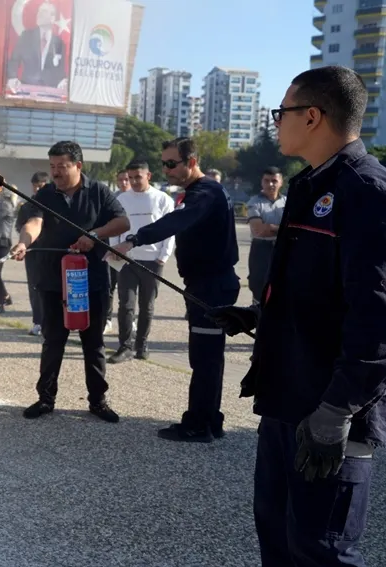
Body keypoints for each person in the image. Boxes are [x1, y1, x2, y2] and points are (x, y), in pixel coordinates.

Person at [208, 66, 386, 567]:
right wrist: (258, 314)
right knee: (279, 538)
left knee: (322, 550)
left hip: (332, 413)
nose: (275, 123)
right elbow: (314, 288)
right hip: (286, 397)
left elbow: (377, 318)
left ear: (312, 116)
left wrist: (338, 409)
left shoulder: (366, 191)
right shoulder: (310, 184)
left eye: (281, 112)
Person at [111, 137, 239, 442]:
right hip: (208, 284)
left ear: (191, 162)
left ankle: (197, 424)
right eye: (164, 163)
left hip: (212, 287)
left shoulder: (205, 192)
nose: (166, 169)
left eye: (171, 163)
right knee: (209, 357)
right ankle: (211, 420)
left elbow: (178, 220)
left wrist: (134, 239)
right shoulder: (202, 192)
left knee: (204, 359)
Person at [10, 141, 130, 422]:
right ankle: (46, 398)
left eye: (61, 166)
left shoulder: (99, 191)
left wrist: (95, 235)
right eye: (52, 167)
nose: (56, 173)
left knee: (94, 343)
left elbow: (123, 222)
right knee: (53, 341)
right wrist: (23, 242)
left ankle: (98, 400)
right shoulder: (45, 195)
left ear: (78, 165)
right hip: (53, 281)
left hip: (92, 281)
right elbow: (34, 223)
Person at [108, 161, 175, 363]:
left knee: (147, 306)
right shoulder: (121, 199)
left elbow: (170, 230)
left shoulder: (163, 199)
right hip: (127, 260)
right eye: (131, 177)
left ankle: (142, 344)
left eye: (138, 176)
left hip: (153, 261)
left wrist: (163, 256)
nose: (134, 181)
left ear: (149, 176)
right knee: (126, 305)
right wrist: (114, 249)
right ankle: (125, 346)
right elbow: (115, 226)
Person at [5, 1, 68, 92]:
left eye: (44, 11)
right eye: (39, 11)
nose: (39, 14)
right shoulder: (26, 37)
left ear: (52, 18)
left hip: (50, 93)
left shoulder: (59, 43)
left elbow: (60, 71)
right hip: (26, 89)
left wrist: (62, 81)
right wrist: (12, 77)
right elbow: (14, 60)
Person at [245, 166, 286, 304]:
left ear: (281, 182)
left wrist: (271, 227)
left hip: (282, 249)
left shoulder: (287, 202)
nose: (270, 184)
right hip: (261, 249)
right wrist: (283, 228)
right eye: (266, 180)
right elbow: (259, 230)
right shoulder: (254, 202)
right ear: (261, 182)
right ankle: (258, 319)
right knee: (258, 286)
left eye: (274, 180)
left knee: (282, 286)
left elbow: (295, 228)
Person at [16, 172, 49, 336]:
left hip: (50, 251)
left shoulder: (53, 203)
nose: (37, 189)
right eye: (35, 185)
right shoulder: (27, 206)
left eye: (41, 185)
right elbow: (20, 226)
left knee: (52, 288)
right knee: (34, 287)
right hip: (32, 252)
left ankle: (54, 322)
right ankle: (38, 322)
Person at [106, 170, 132, 334]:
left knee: (129, 292)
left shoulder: (136, 199)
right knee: (109, 287)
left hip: (131, 251)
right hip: (113, 249)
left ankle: (131, 321)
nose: (123, 183)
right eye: (120, 180)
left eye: (126, 180)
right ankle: (107, 319)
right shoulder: (112, 199)